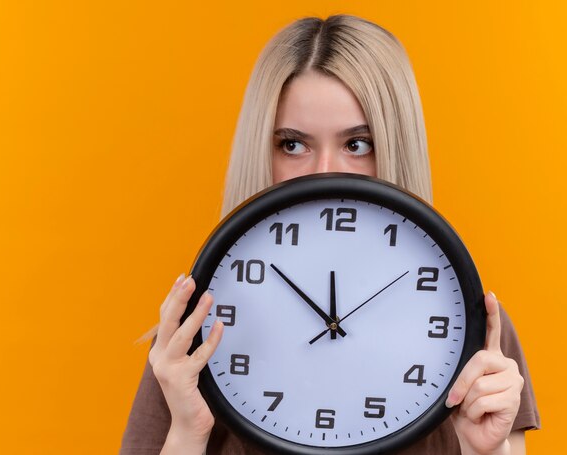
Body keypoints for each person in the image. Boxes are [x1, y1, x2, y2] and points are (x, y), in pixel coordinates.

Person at [119, 14, 540, 454]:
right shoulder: (192, 335)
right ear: (262, 149)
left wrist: (486, 451)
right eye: (293, 144)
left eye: (357, 144)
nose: (325, 173)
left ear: (395, 146)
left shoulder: (473, 327)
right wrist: (188, 431)